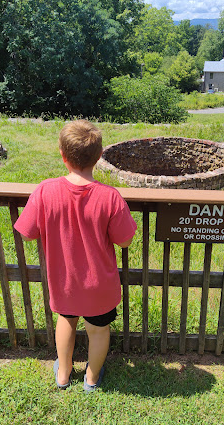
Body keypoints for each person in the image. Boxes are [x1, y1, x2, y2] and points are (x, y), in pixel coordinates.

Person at [14, 120, 137, 392]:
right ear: (98, 156)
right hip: (99, 286)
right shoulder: (110, 197)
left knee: (66, 322)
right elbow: (125, 240)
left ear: (62, 154)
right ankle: (91, 380)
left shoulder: (45, 190)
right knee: (98, 330)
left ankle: (63, 375)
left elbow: (25, 233)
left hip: (64, 280)